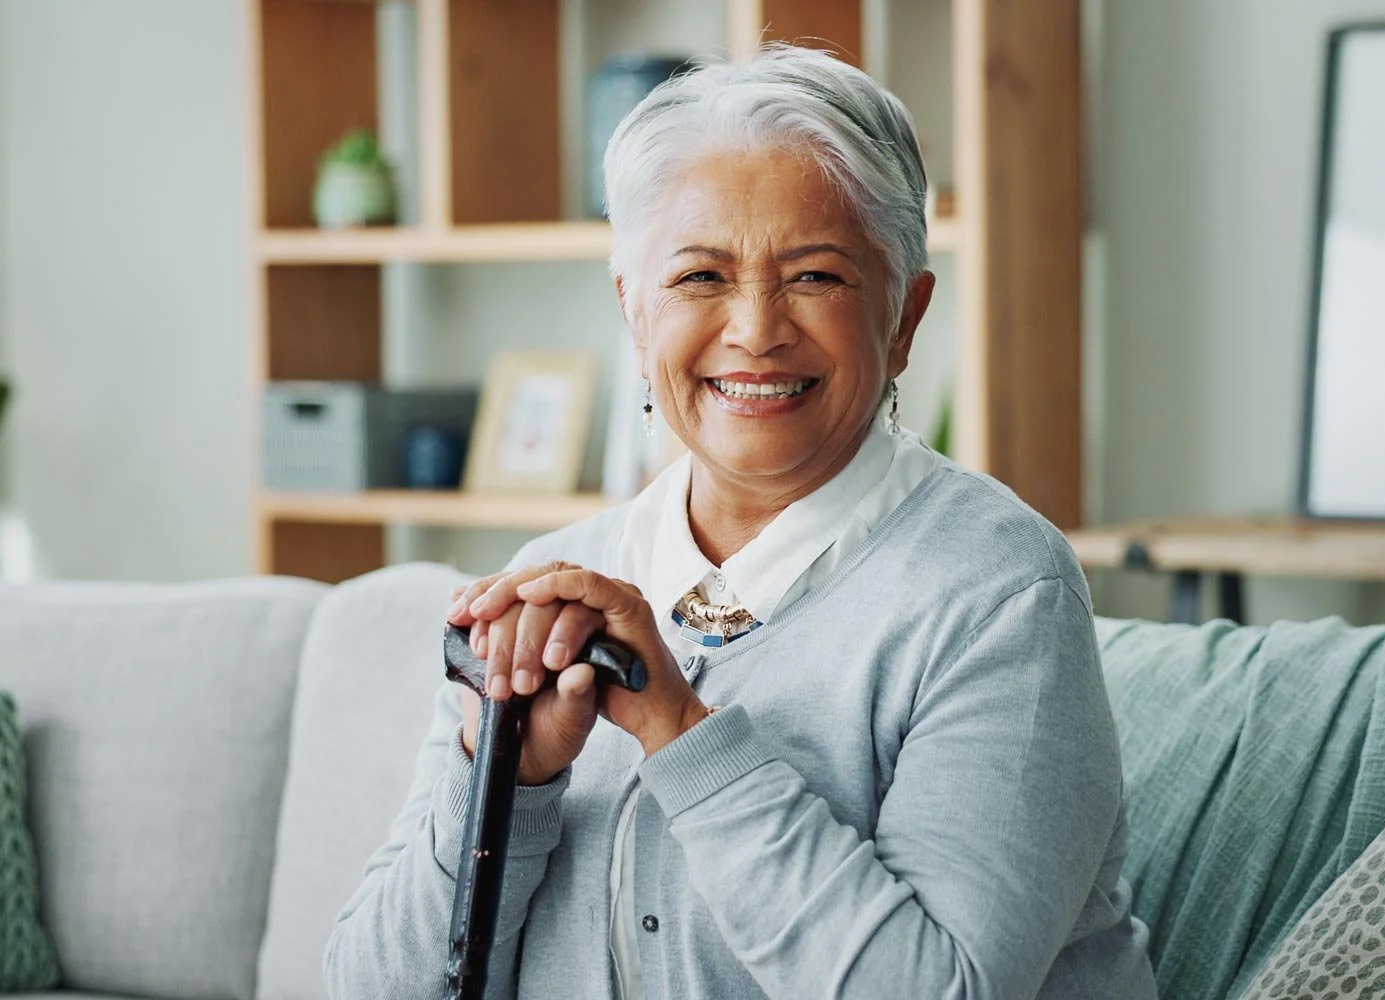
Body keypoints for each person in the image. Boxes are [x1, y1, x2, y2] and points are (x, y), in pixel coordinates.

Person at [325, 45, 1157, 1000]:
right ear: (634, 314)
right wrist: (507, 777)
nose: (756, 329)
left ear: (905, 319)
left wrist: (683, 735)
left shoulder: (998, 591)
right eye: (699, 278)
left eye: (815, 277)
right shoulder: (553, 581)